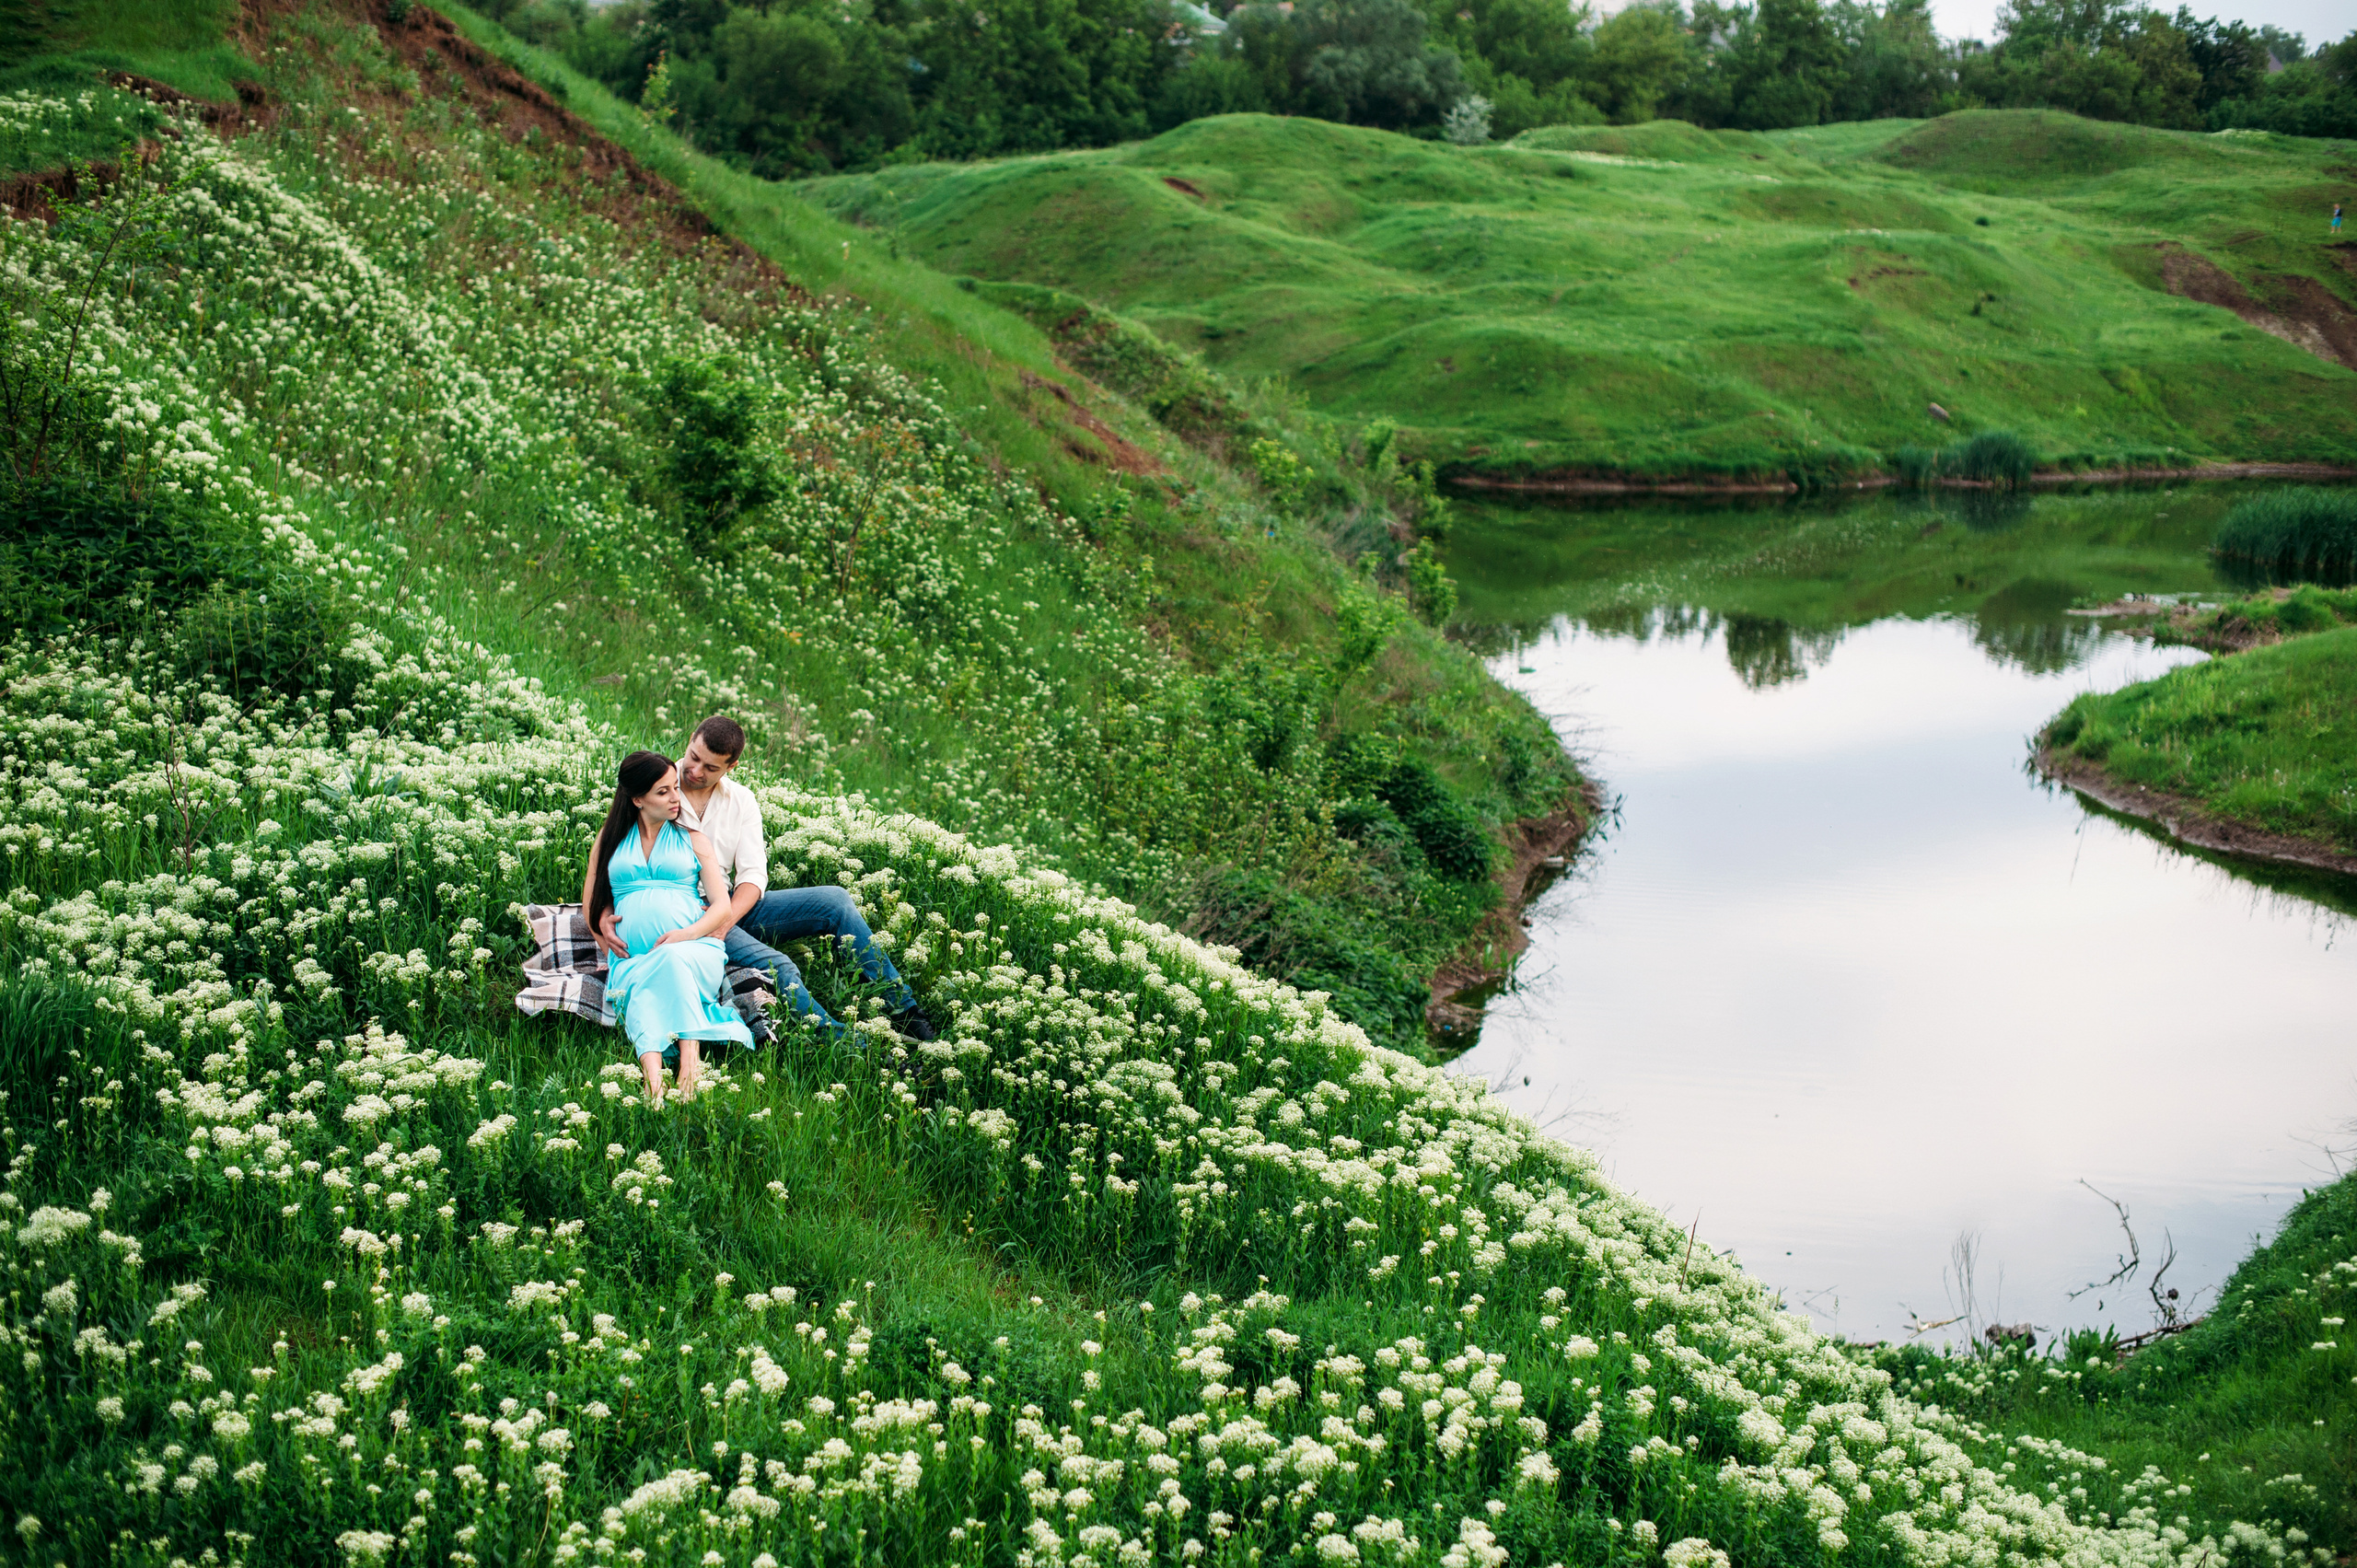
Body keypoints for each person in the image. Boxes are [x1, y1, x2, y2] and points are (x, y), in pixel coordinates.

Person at [593, 714, 936, 1045]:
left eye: (711, 767)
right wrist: (605, 912)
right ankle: (846, 1043)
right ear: (689, 743)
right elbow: (620, 861)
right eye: (693, 757)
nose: (695, 771)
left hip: (731, 904)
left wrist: (725, 919)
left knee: (836, 901)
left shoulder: (741, 801)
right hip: (687, 910)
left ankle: (903, 1010)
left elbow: (754, 876)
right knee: (778, 966)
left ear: (731, 767)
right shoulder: (658, 788)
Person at [582, 749, 752, 1103]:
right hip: (632, 957)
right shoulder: (610, 839)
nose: (676, 798)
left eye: (675, 788)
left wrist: (685, 935)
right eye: (663, 792)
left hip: (695, 950)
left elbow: (721, 906)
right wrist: (601, 919)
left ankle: (687, 1063)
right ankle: (655, 1079)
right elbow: (592, 900)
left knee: (673, 960)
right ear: (637, 799)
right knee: (652, 975)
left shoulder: (693, 838)